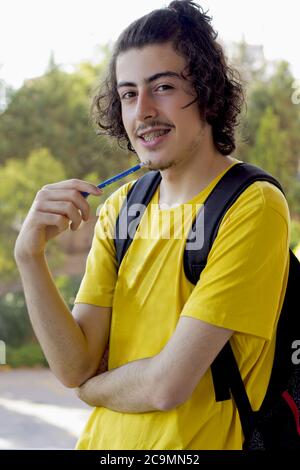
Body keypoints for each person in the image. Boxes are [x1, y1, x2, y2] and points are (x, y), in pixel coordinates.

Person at [14, 0, 290, 450]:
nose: (142, 111)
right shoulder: (123, 207)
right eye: (127, 94)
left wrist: (93, 389)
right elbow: (73, 364)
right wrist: (29, 257)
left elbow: (166, 385)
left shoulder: (252, 205)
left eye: (161, 87)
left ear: (207, 90)